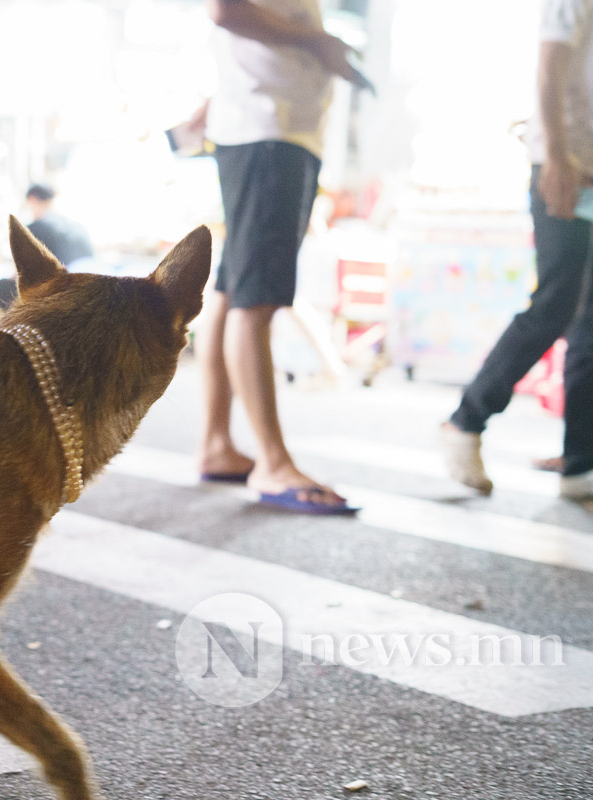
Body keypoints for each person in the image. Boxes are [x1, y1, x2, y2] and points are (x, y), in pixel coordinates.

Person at [193, 0, 372, 514]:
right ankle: (272, 462)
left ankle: (217, 443)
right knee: (256, 298)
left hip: (267, 125)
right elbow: (225, 9)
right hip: (271, 128)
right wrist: (316, 42)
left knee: (233, 290)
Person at [441, 0, 593, 500]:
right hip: (567, 164)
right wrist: (555, 153)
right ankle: (466, 420)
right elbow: (549, 63)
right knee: (556, 303)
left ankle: (582, 462)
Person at [24, 183, 95, 269]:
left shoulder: (34, 229)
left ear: (32, 200)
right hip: (92, 273)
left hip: (69, 277)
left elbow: (25, 269)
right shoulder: (73, 225)